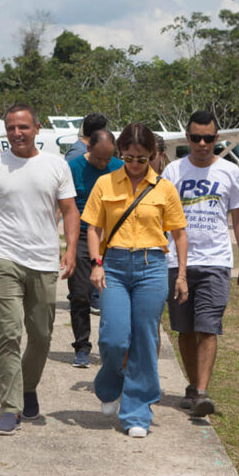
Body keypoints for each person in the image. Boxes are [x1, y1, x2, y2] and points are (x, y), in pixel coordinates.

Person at [0, 104, 79, 435]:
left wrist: (71, 249)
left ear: (36, 128)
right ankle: (11, 406)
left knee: (42, 335)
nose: (17, 133)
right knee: (9, 334)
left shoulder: (56, 165)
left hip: (44, 261)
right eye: (11, 128)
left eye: (23, 127)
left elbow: (70, 211)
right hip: (4, 259)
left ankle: (28, 386)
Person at [82, 122, 189, 439]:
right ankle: (111, 383)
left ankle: (137, 412)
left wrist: (181, 275)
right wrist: (96, 263)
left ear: (154, 156)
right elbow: (92, 227)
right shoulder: (105, 183)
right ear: (120, 154)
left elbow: (180, 235)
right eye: (128, 158)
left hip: (151, 266)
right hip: (112, 265)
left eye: (142, 159)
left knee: (145, 339)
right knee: (114, 337)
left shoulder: (164, 189)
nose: (135, 165)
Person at [162, 110, 239, 418]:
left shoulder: (230, 172)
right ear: (187, 138)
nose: (202, 144)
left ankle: (202, 392)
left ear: (218, 138)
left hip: (215, 262)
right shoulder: (173, 171)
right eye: (196, 138)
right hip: (177, 263)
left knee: (208, 327)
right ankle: (191, 386)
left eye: (209, 138)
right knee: (185, 330)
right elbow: (159, 215)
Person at [66, 129, 123, 368]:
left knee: (111, 296)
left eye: (107, 159)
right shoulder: (73, 167)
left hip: (112, 239)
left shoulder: (120, 167)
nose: (103, 164)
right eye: (98, 158)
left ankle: (109, 345)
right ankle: (81, 346)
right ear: (88, 149)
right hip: (81, 236)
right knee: (80, 294)